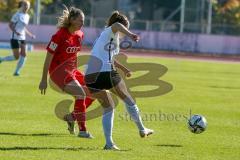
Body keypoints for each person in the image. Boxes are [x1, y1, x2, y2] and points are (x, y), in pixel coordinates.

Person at [85, 11, 154, 150]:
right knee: (128, 99)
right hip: (105, 72)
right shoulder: (111, 31)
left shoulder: (106, 37)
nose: (124, 32)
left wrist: (124, 69)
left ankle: (109, 143)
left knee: (109, 107)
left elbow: (111, 58)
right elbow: (117, 25)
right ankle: (142, 129)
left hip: (90, 77)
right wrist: (131, 34)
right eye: (126, 28)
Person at [38, 6, 94, 138]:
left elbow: (73, 56)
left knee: (93, 92)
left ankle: (71, 117)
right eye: (80, 20)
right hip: (59, 73)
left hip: (72, 71)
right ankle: (83, 131)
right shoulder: (58, 36)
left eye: (83, 20)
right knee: (81, 94)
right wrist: (44, 79)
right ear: (72, 20)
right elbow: (48, 59)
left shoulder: (80, 34)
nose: (83, 23)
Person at [0, 0, 35, 76]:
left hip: (23, 37)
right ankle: (1, 59)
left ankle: (17, 72)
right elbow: (10, 25)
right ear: (21, 6)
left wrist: (30, 34)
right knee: (16, 57)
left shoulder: (27, 16)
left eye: (28, 5)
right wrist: (16, 32)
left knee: (24, 54)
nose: (26, 6)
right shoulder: (17, 15)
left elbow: (23, 28)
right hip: (15, 38)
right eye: (25, 5)